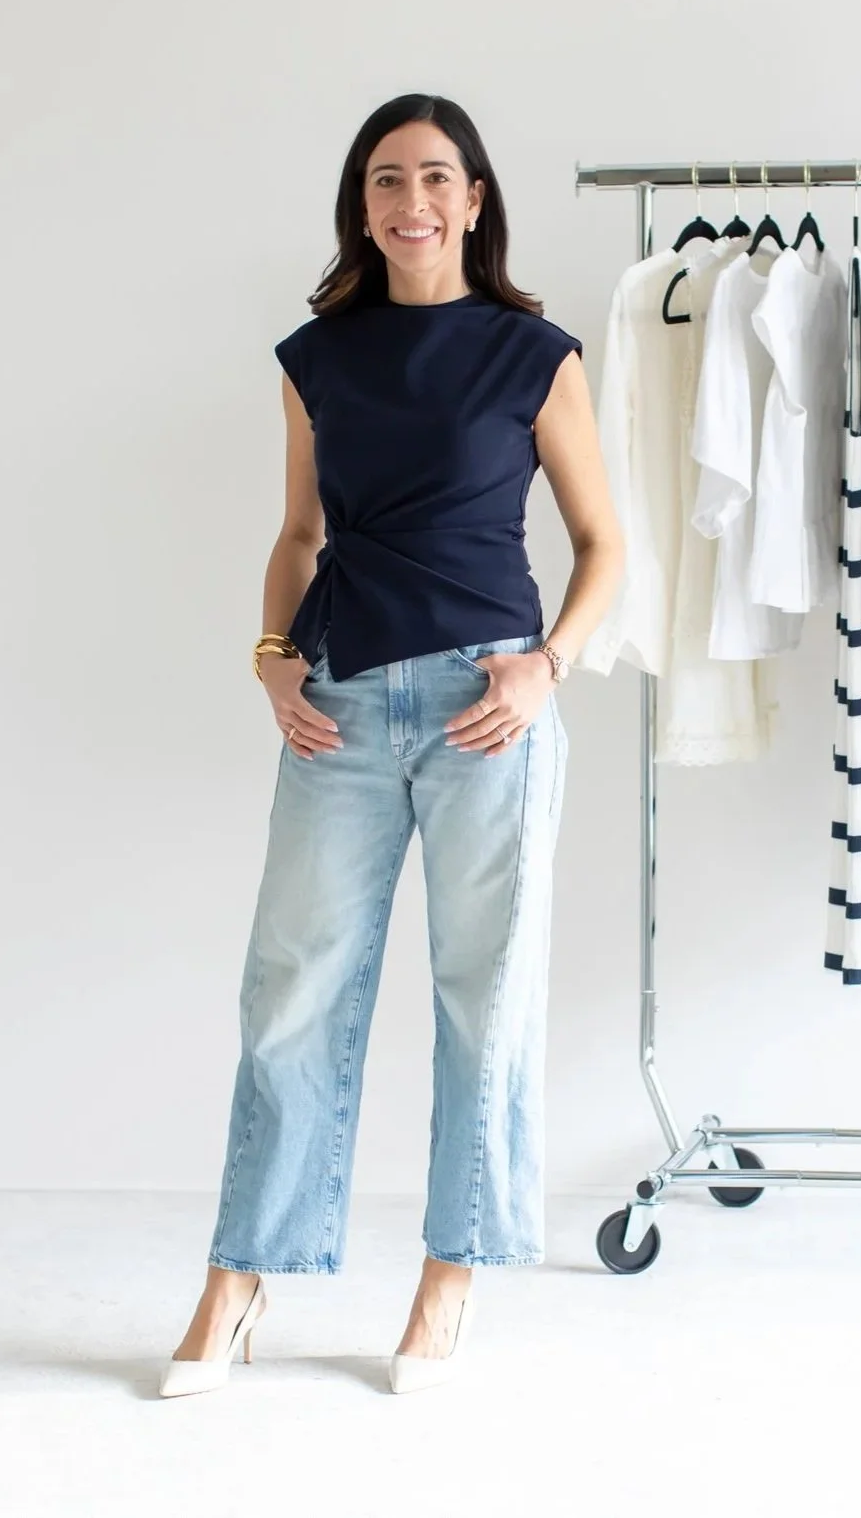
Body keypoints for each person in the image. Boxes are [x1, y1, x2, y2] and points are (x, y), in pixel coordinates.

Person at [159, 94, 621, 1398]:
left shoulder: (535, 357)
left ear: (475, 197)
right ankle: (236, 1279)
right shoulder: (318, 358)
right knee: (289, 990)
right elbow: (299, 535)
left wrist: (549, 667)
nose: (409, 200)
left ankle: (450, 1275)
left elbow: (604, 546)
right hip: (343, 703)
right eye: (383, 181)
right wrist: (269, 658)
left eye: (432, 176)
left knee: (487, 992)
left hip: (490, 708)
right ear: (360, 207)